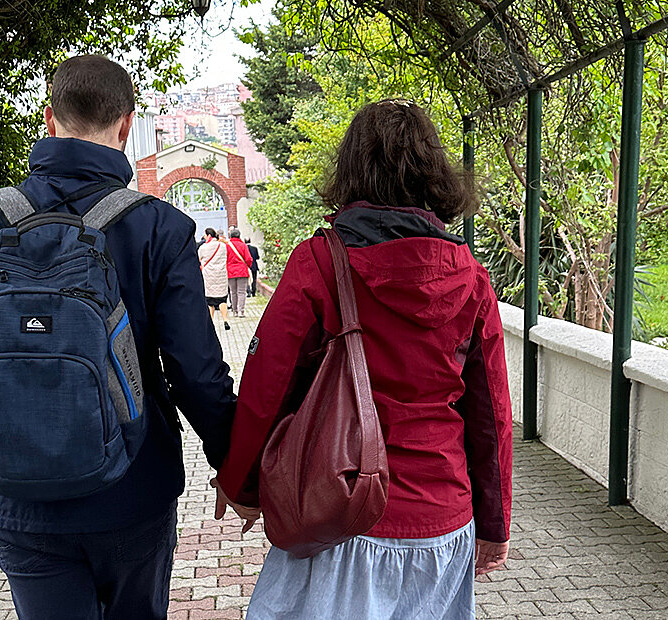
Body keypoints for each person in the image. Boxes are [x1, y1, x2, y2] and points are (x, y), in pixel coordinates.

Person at [0, 55, 251, 620]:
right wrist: (234, 465)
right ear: (126, 125)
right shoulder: (160, 228)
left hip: (18, 493)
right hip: (133, 490)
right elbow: (195, 371)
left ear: (48, 120)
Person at [213, 99, 514, 619]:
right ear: (434, 174)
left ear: (350, 171)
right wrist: (494, 524)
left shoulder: (320, 263)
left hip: (337, 513)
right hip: (442, 523)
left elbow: (269, 384)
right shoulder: (470, 276)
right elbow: (491, 415)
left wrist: (242, 484)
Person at [199, 228, 231, 330]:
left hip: (208, 276)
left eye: (205, 235)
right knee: (222, 299)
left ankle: (211, 322)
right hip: (221, 275)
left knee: (210, 301)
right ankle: (225, 320)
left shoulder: (203, 248)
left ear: (208, 235)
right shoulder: (222, 246)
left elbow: (199, 259)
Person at [224, 229, 253, 317]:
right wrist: (248, 266)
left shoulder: (227, 246)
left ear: (231, 236)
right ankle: (241, 311)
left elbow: (224, 258)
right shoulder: (243, 245)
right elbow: (248, 259)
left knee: (233, 292)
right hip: (242, 271)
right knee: (241, 292)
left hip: (230, 271)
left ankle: (234, 311)